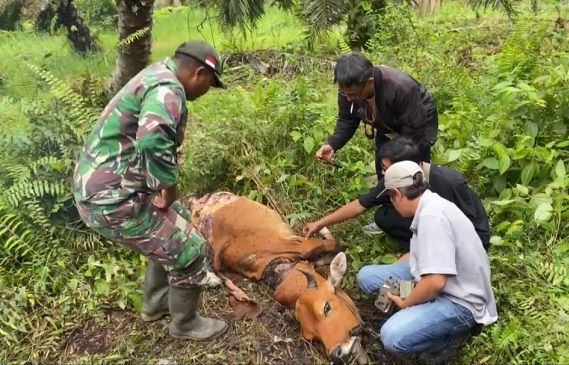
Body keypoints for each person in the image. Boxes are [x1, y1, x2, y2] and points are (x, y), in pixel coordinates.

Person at [73, 40, 227, 340]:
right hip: (111, 200)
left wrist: (168, 198)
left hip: (112, 187)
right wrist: (169, 188)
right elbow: (153, 139)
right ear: (199, 73)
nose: (208, 89)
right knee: (191, 248)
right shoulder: (167, 89)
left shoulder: (157, 74)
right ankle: (186, 324)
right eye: (211, 82)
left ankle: (156, 304)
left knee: (176, 219)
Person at [360, 161, 498, 359]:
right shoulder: (429, 204)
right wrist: (396, 283)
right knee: (368, 277)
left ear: (397, 193)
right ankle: (417, 310)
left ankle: (450, 339)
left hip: (460, 300)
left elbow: (435, 282)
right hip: (443, 281)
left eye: (390, 197)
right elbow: (421, 256)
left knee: (391, 336)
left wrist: (406, 302)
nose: (391, 202)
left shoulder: (432, 218)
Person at [304, 137, 491, 252]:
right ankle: (417, 247)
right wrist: (320, 223)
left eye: (386, 168)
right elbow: (360, 205)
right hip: (434, 230)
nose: (383, 173)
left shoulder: (448, 181)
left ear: (405, 166)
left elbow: (470, 224)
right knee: (383, 216)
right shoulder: (394, 180)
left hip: (468, 237)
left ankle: (424, 250)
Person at [315, 52, 438, 177]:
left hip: (416, 123)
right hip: (385, 123)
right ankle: (384, 193)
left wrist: (398, 159)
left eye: (353, 95)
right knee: (384, 169)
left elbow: (413, 135)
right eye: (344, 93)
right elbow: (347, 119)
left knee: (413, 172)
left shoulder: (400, 87)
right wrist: (332, 144)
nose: (348, 99)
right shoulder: (348, 89)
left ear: (370, 82)